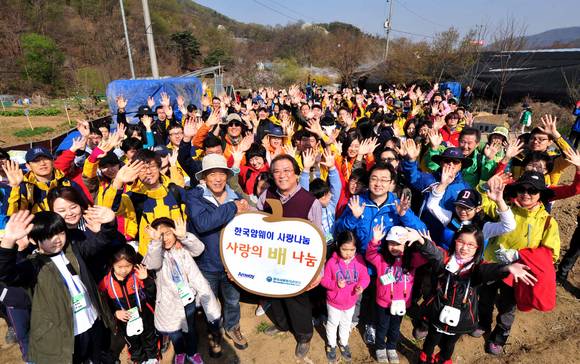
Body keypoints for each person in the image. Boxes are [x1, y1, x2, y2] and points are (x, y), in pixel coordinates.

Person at [0, 208, 118, 363]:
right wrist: (8, 241)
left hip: (91, 321)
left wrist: (109, 223)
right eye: (49, 236)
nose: (57, 239)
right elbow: (6, 274)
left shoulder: (74, 250)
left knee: (96, 357)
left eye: (61, 232)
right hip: (64, 334)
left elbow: (101, 241)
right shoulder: (32, 265)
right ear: (34, 240)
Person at [410, 225, 536, 364]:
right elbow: (434, 253)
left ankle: (443, 359)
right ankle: (425, 357)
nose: (464, 248)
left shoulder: (476, 269)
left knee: (449, 345)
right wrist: (421, 241)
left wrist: (507, 267)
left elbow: (488, 270)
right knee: (431, 340)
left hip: (462, 318)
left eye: (471, 245)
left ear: (478, 248)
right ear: (455, 241)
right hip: (437, 312)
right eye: (461, 242)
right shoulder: (445, 260)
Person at [478, 171, 561, 355]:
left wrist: (520, 255)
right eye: (522, 189)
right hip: (493, 262)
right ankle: (483, 323)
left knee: (508, 305)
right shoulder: (505, 209)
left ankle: (500, 336)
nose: (526, 193)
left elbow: (551, 254)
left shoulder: (547, 222)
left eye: (532, 190)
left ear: (540, 195)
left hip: (519, 271)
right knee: (485, 297)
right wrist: (484, 187)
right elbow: (483, 203)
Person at [257, 154, 322, 360]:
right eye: (276, 171)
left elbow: (317, 238)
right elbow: (256, 221)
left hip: (297, 264)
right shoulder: (266, 195)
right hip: (271, 259)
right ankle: (282, 325)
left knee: (297, 299)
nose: (282, 175)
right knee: (275, 294)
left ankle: (304, 335)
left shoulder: (310, 202)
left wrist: (317, 272)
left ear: (296, 174)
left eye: (287, 170)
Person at [185, 154, 251, 355]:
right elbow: (203, 223)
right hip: (207, 264)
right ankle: (214, 333)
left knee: (232, 299)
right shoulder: (195, 197)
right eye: (212, 174)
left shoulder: (236, 197)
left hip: (231, 263)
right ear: (203, 177)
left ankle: (233, 327)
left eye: (222, 173)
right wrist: (232, 208)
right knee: (210, 303)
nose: (218, 178)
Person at [143, 217, 221, 364]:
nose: (164, 238)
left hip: (188, 298)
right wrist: (155, 243)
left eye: (167, 233)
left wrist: (183, 236)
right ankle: (180, 352)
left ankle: (192, 352)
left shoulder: (183, 247)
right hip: (169, 302)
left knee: (190, 328)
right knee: (174, 333)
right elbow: (152, 264)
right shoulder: (155, 252)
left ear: (174, 233)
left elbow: (199, 249)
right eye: (160, 235)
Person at [366, 224, 423, 364]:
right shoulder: (381, 259)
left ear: (406, 245)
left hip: (401, 304)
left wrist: (421, 241)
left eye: (399, 244)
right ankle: (380, 347)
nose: (394, 247)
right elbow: (369, 254)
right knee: (382, 326)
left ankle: (391, 347)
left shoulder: (412, 260)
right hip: (383, 302)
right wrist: (375, 241)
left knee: (395, 328)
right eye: (391, 243)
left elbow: (428, 256)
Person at [99, 245, 158, 364]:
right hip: (125, 321)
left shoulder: (138, 275)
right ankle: (139, 360)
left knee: (149, 338)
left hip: (145, 316)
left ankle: (152, 358)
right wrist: (115, 313)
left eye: (128, 266)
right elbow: (102, 304)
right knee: (133, 342)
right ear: (112, 264)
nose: (124, 270)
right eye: (119, 266)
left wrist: (146, 280)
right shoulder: (106, 283)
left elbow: (153, 294)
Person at [320, 231, 370, 363]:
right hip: (334, 302)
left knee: (346, 323)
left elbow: (365, 277)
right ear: (338, 246)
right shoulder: (332, 262)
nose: (348, 253)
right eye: (344, 249)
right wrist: (335, 285)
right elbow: (323, 281)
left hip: (350, 302)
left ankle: (343, 343)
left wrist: (361, 286)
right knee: (332, 323)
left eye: (352, 249)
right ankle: (331, 345)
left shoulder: (359, 260)